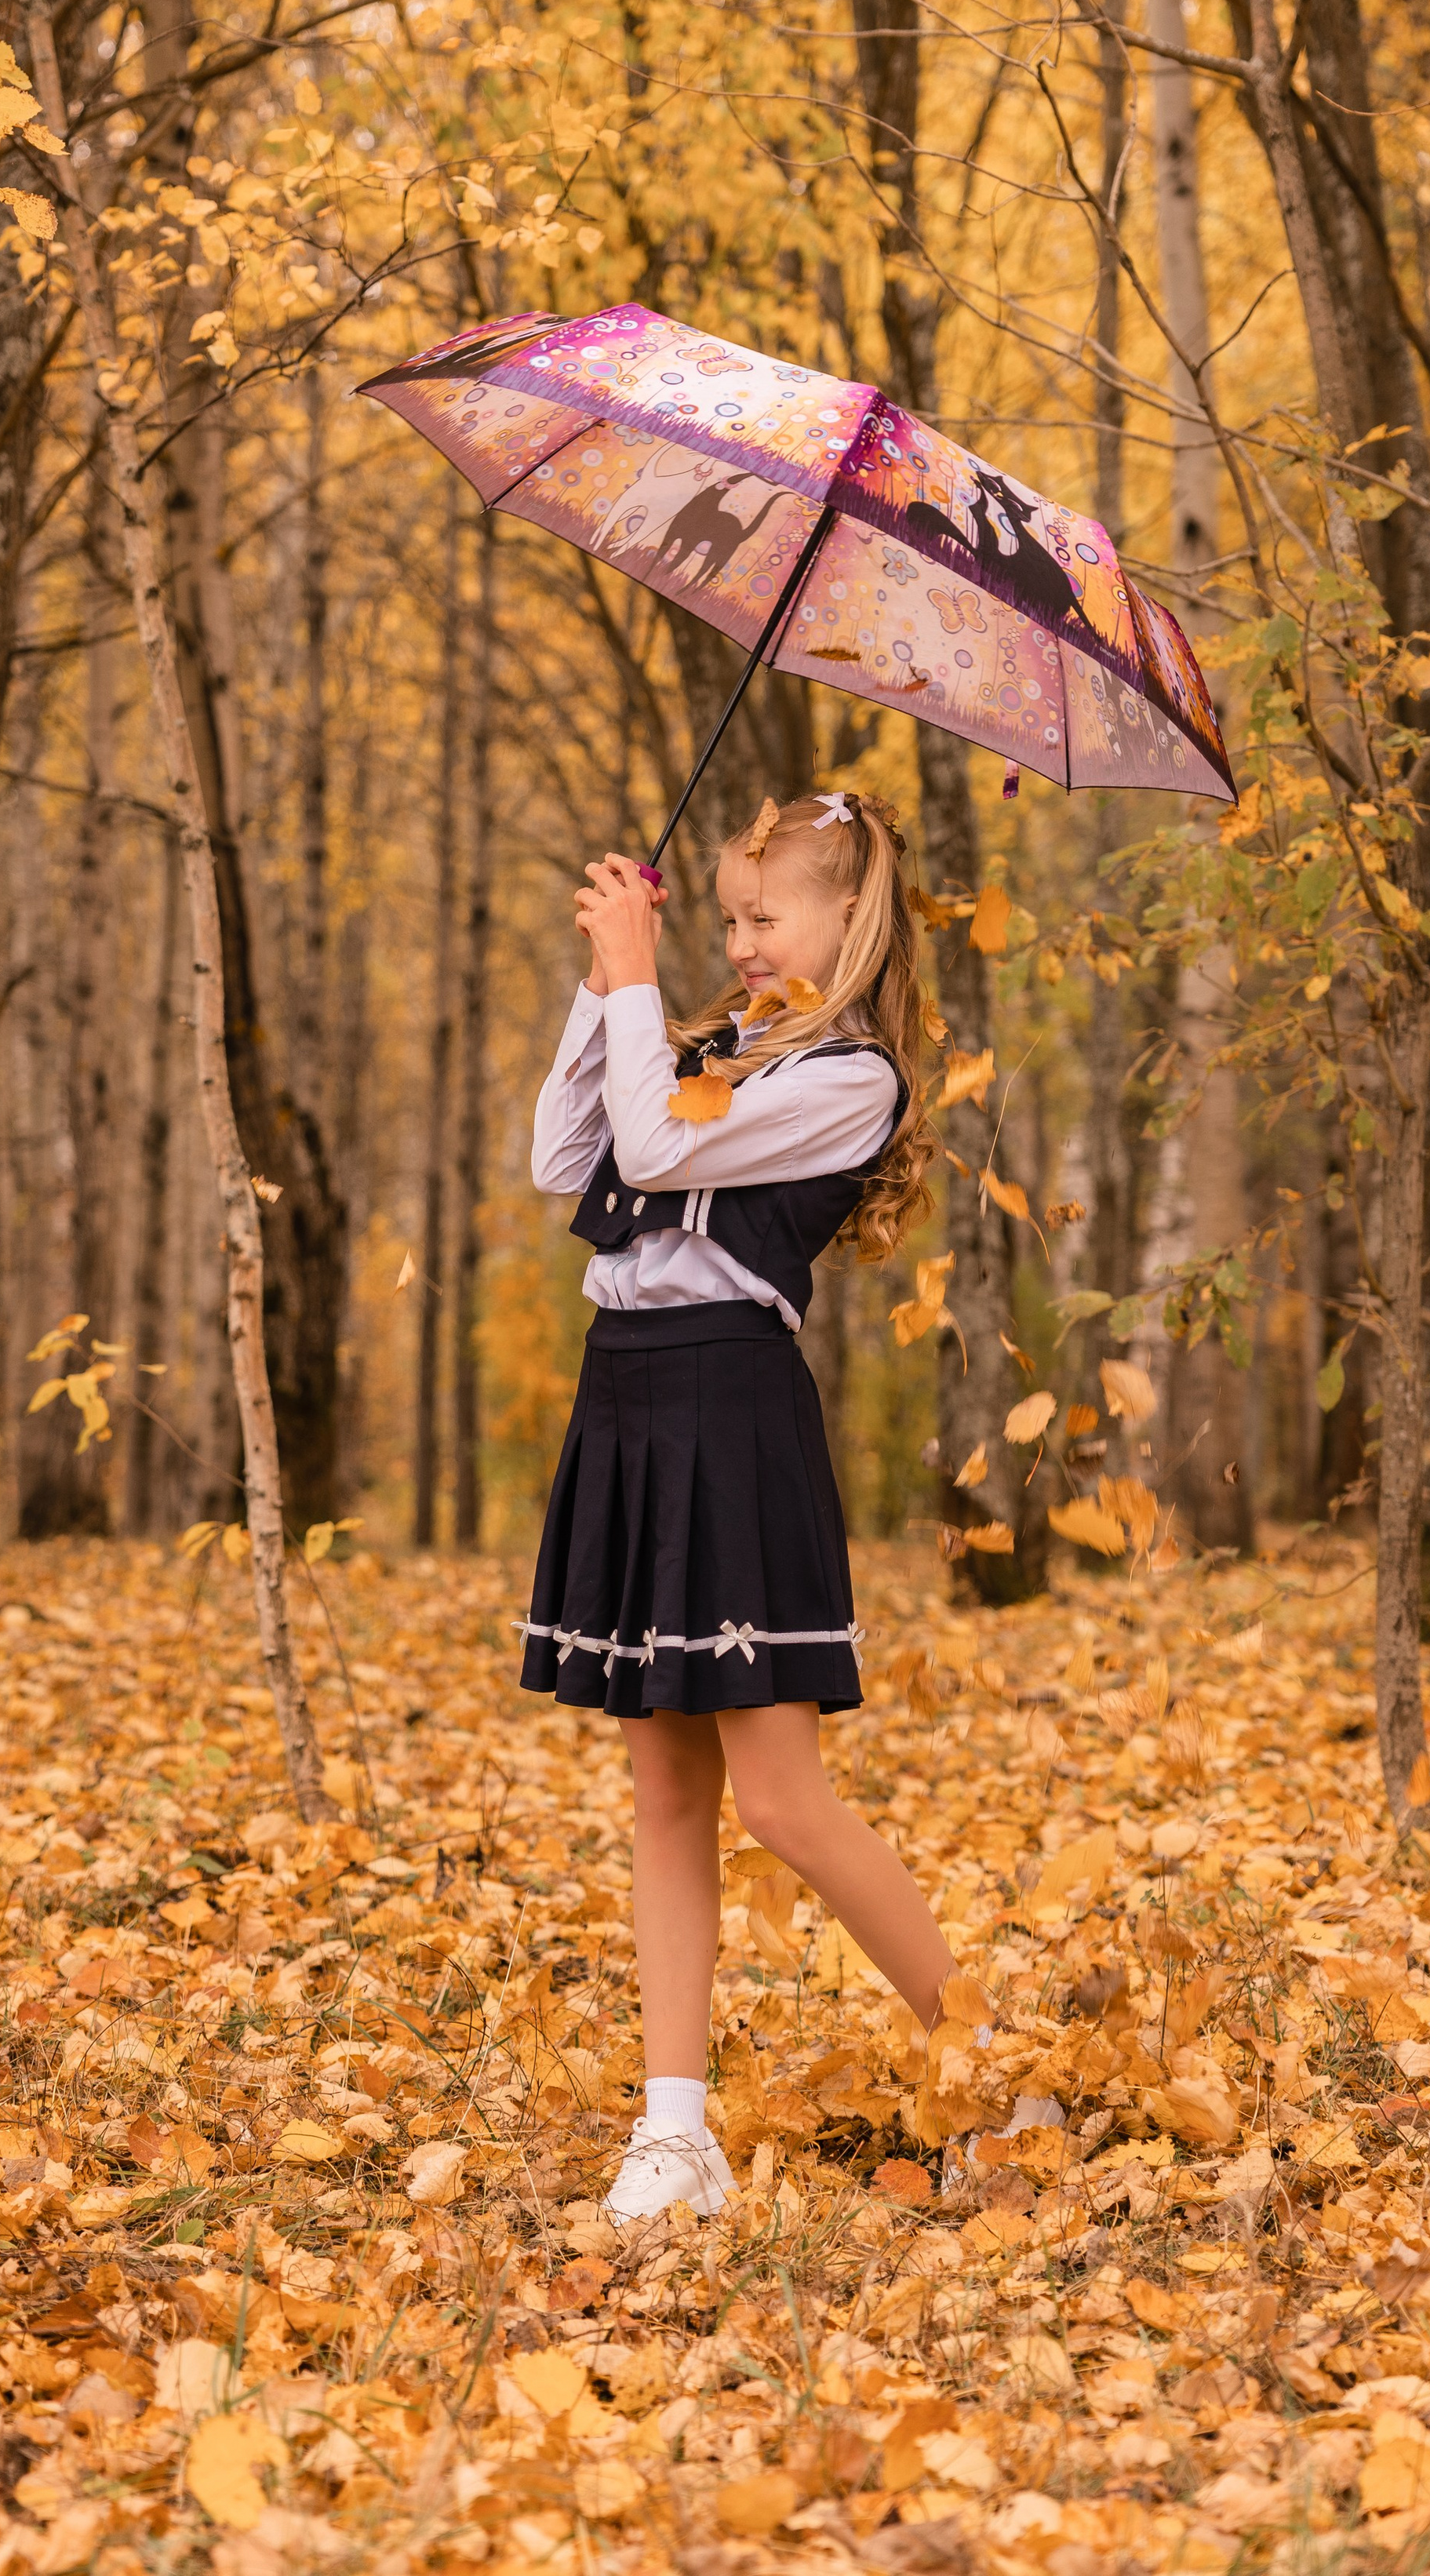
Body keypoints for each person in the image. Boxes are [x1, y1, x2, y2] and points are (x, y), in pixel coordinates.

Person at [524, 788, 963, 2223]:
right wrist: (609, 996)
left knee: (778, 1801)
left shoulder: (855, 1080)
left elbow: (656, 1152)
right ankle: (674, 2134)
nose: (743, 937)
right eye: (727, 915)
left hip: (730, 1403)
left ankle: (991, 2068)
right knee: (664, 1789)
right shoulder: (708, 1042)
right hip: (631, 1391)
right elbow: (571, 1161)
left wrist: (642, 987)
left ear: (852, 919)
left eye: (768, 914)